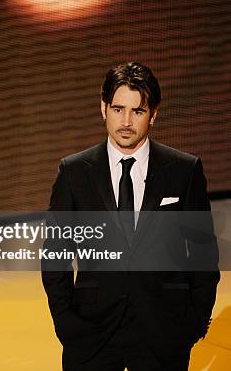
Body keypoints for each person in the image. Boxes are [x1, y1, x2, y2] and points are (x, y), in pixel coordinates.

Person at [41, 62, 219, 370]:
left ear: (154, 114)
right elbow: (55, 255)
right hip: (91, 331)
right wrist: (67, 324)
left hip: (163, 332)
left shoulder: (184, 171)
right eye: (118, 109)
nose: (126, 121)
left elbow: (203, 253)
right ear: (103, 109)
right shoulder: (73, 172)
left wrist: (194, 324)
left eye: (137, 111)